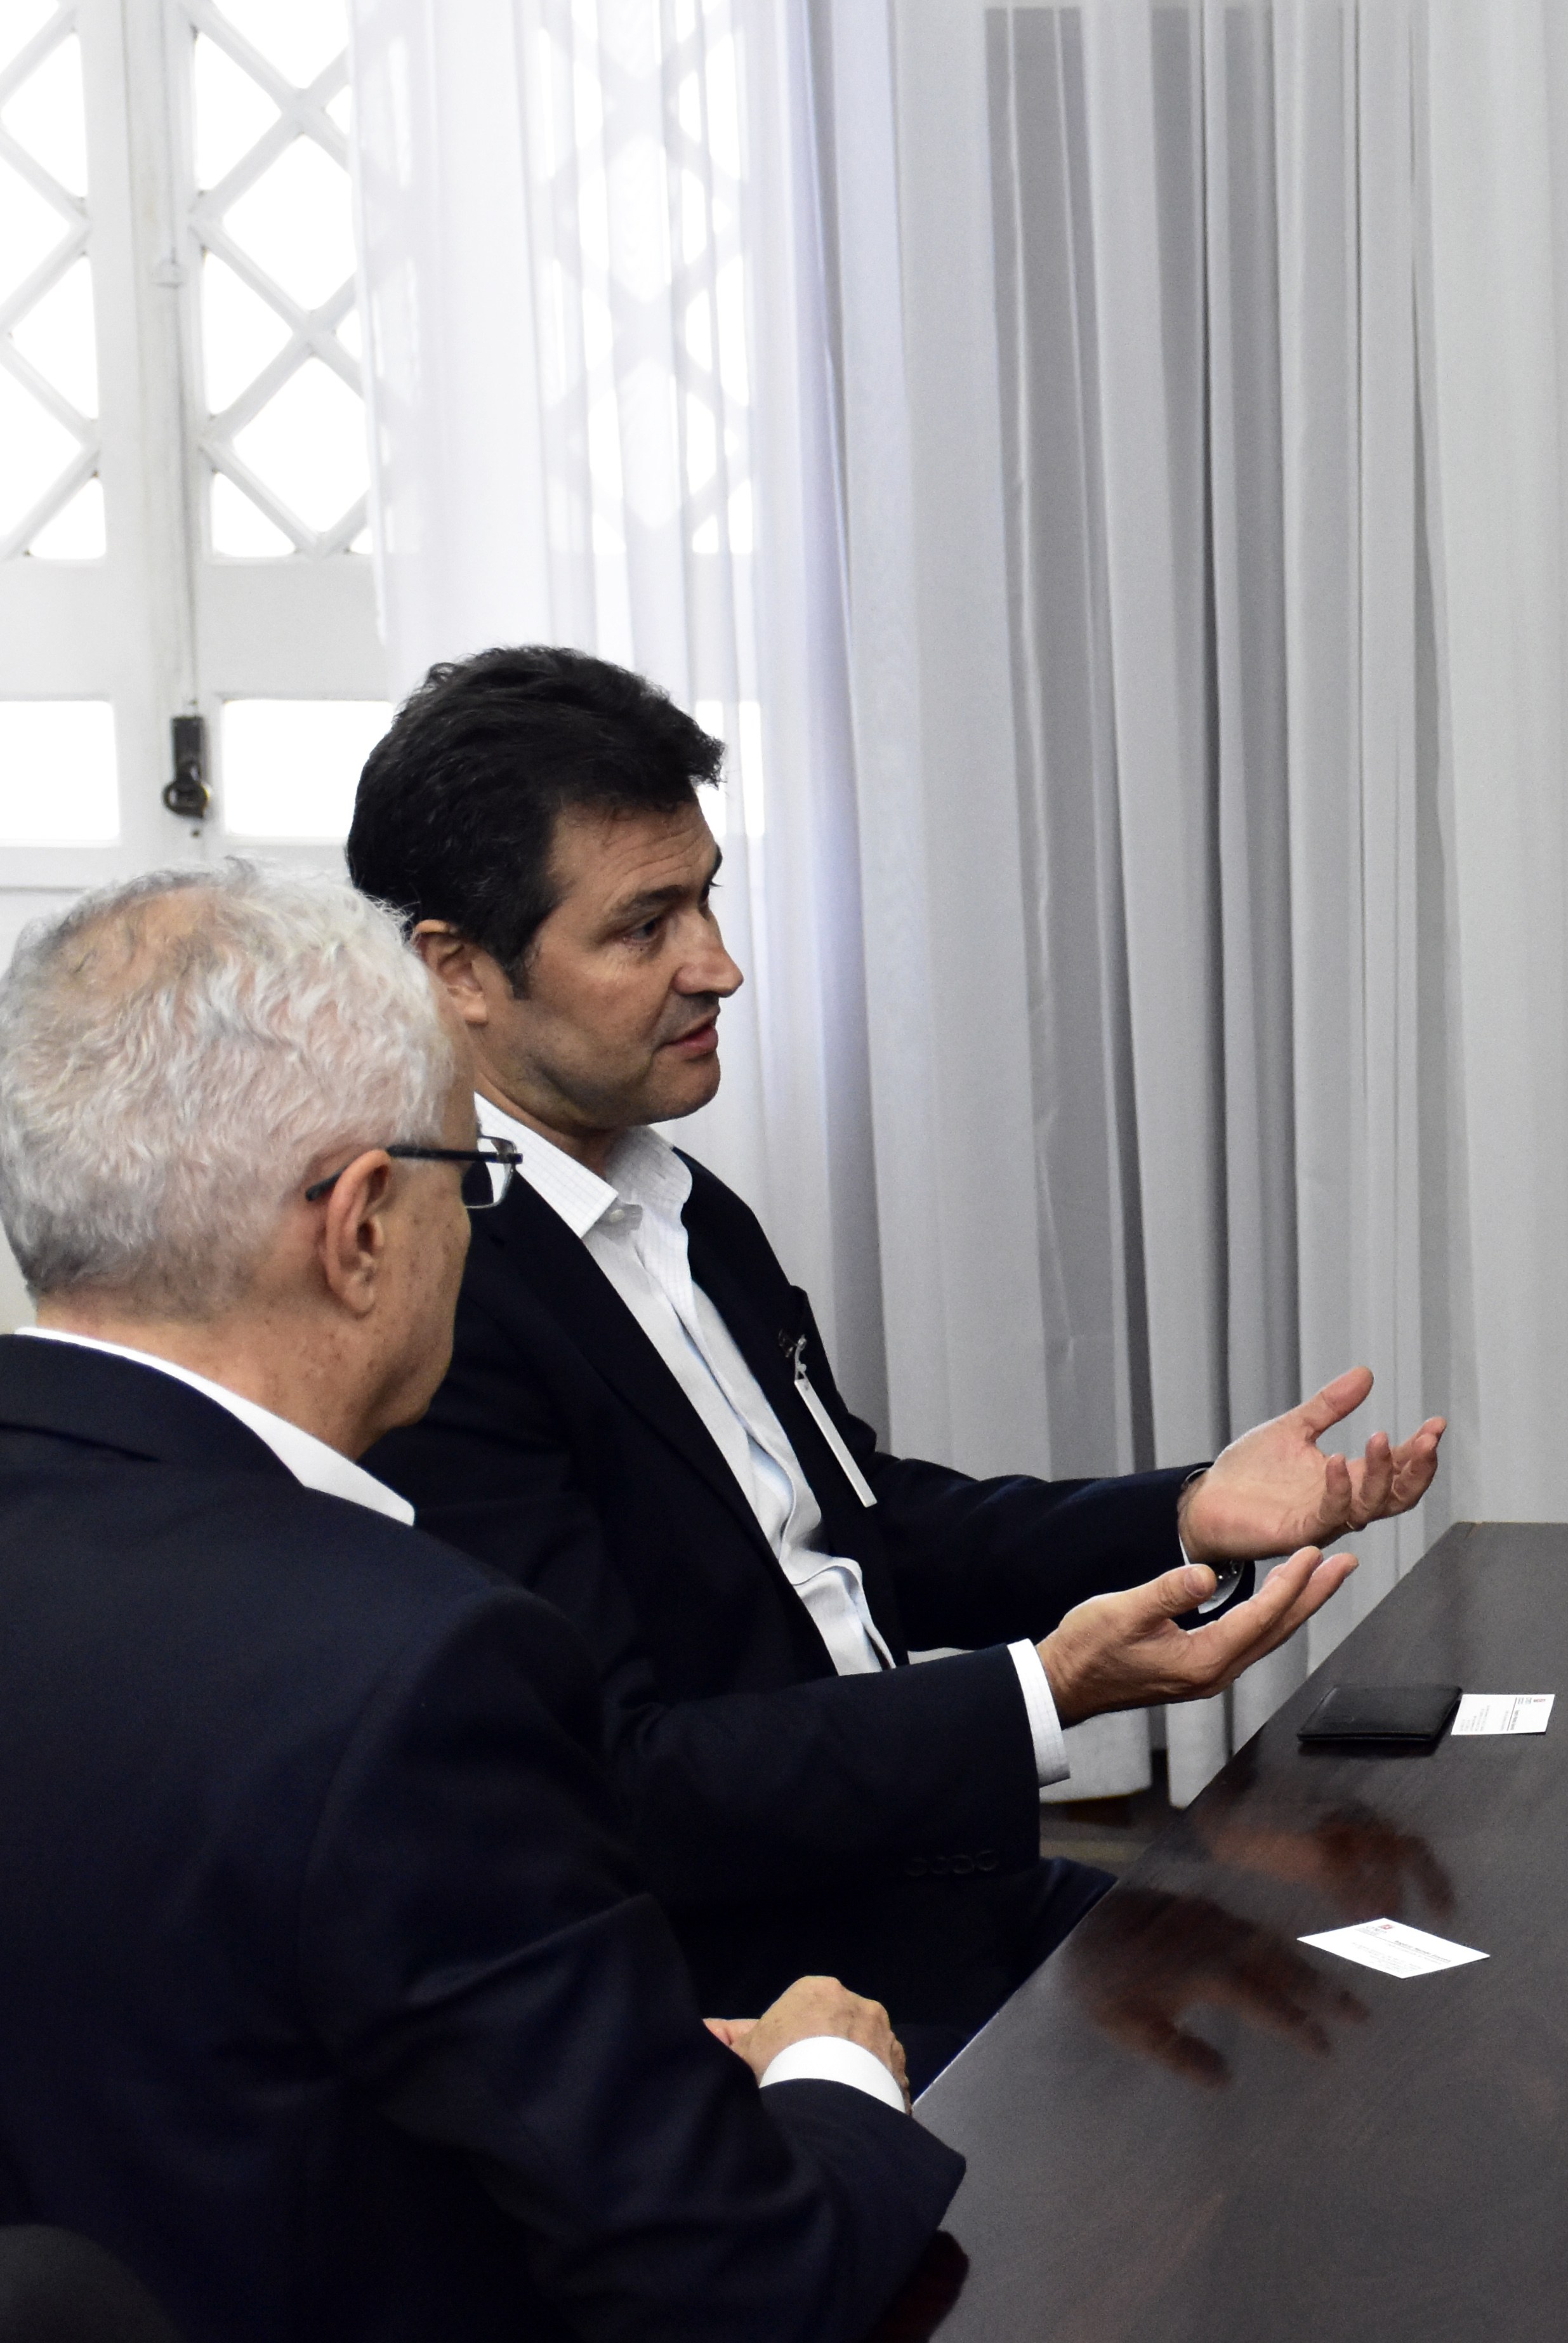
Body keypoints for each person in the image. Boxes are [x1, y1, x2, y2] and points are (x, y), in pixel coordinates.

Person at [346, 647, 1435, 2061]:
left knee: (1365, 2018)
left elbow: (871, 1526)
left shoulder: (679, 1202)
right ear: (460, 968)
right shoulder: (441, 1300)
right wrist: (1042, 1691)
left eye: (710, 895)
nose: (719, 965)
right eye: (644, 926)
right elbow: (621, 1778)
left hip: (933, 1881)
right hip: (770, 1989)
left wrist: (1180, 1511)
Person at [0, 864, 977, 2340]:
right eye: (477, 1178)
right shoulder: (405, 1667)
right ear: (363, 1228)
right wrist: (826, 2071)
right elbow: (737, 2279)